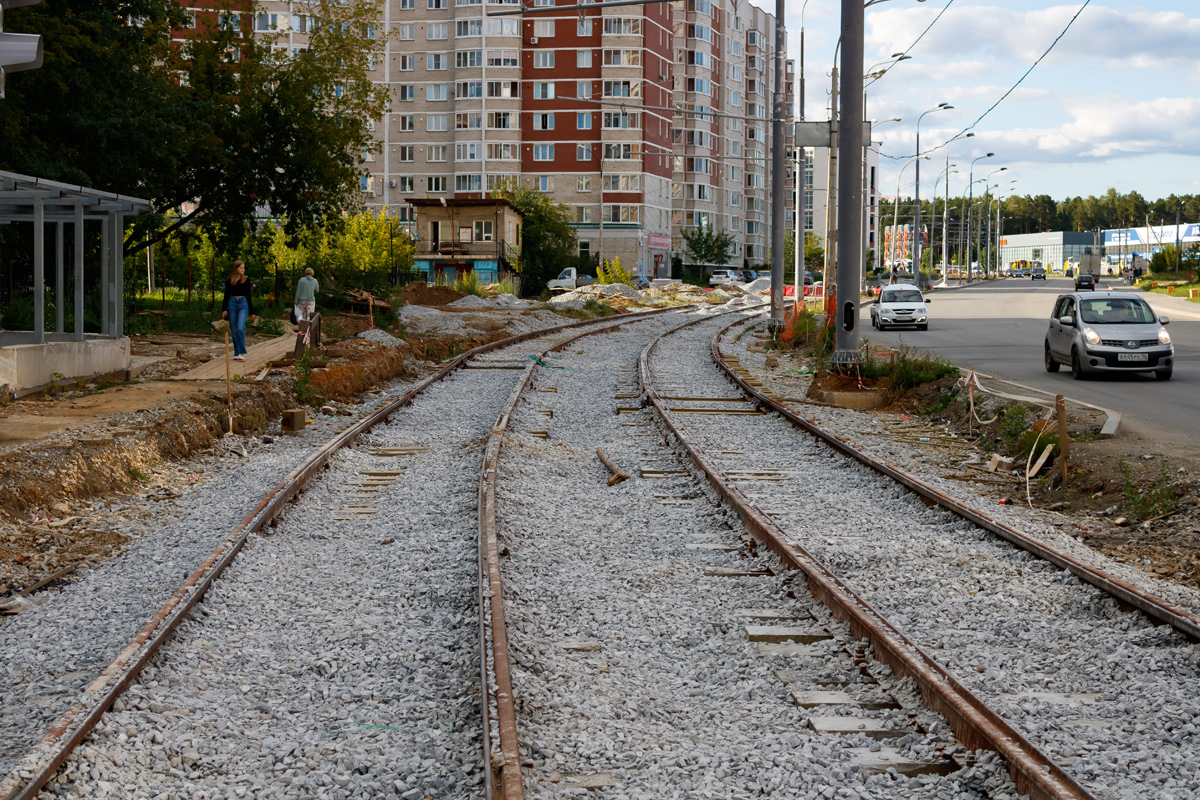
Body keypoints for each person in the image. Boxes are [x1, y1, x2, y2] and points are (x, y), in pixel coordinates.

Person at [221, 261, 256, 361]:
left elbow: (249, 296)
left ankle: (242, 352)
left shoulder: (246, 280)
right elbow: (226, 295)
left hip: (243, 304)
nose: (243, 270)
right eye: (241, 268)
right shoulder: (229, 281)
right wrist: (224, 309)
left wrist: (252, 311)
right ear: (236, 269)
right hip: (231, 304)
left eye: (244, 268)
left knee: (240, 327)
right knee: (234, 329)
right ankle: (237, 353)